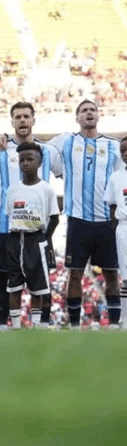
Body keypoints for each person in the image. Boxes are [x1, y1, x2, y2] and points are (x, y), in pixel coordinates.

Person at [0, 102, 63, 329]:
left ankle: (42, 326)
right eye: (18, 117)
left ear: (33, 120)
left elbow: (64, 173)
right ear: (12, 122)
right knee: (5, 279)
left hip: (38, 230)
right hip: (7, 228)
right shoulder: (0, 149)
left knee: (42, 281)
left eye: (26, 116)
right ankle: (3, 327)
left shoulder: (47, 151)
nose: (22, 120)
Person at [49, 100, 121, 329]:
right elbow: (40, 150)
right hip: (77, 219)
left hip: (107, 220)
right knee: (75, 273)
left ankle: (115, 324)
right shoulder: (65, 141)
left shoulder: (113, 145)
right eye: (84, 110)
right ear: (77, 117)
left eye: (92, 110)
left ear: (98, 116)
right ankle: (73, 325)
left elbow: (121, 179)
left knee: (112, 273)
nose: (88, 113)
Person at [5, 142, 60, 329]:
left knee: (38, 287)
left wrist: (45, 238)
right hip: (15, 239)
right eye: (22, 160)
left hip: (36, 239)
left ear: (39, 162)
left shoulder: (46, 189)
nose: (26, 163)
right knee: (13, 286)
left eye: (30, 159)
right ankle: (15, 326)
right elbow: (9, 215)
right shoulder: (12, 190)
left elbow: (54, 218)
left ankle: (36, 326)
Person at [104, 136, 127, 328]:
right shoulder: (116, 177)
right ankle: (125, 319)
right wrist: (115, 231)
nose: (125, 153)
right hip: (124, 227)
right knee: (126, 277)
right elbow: (112, 206)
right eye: (123, 151)